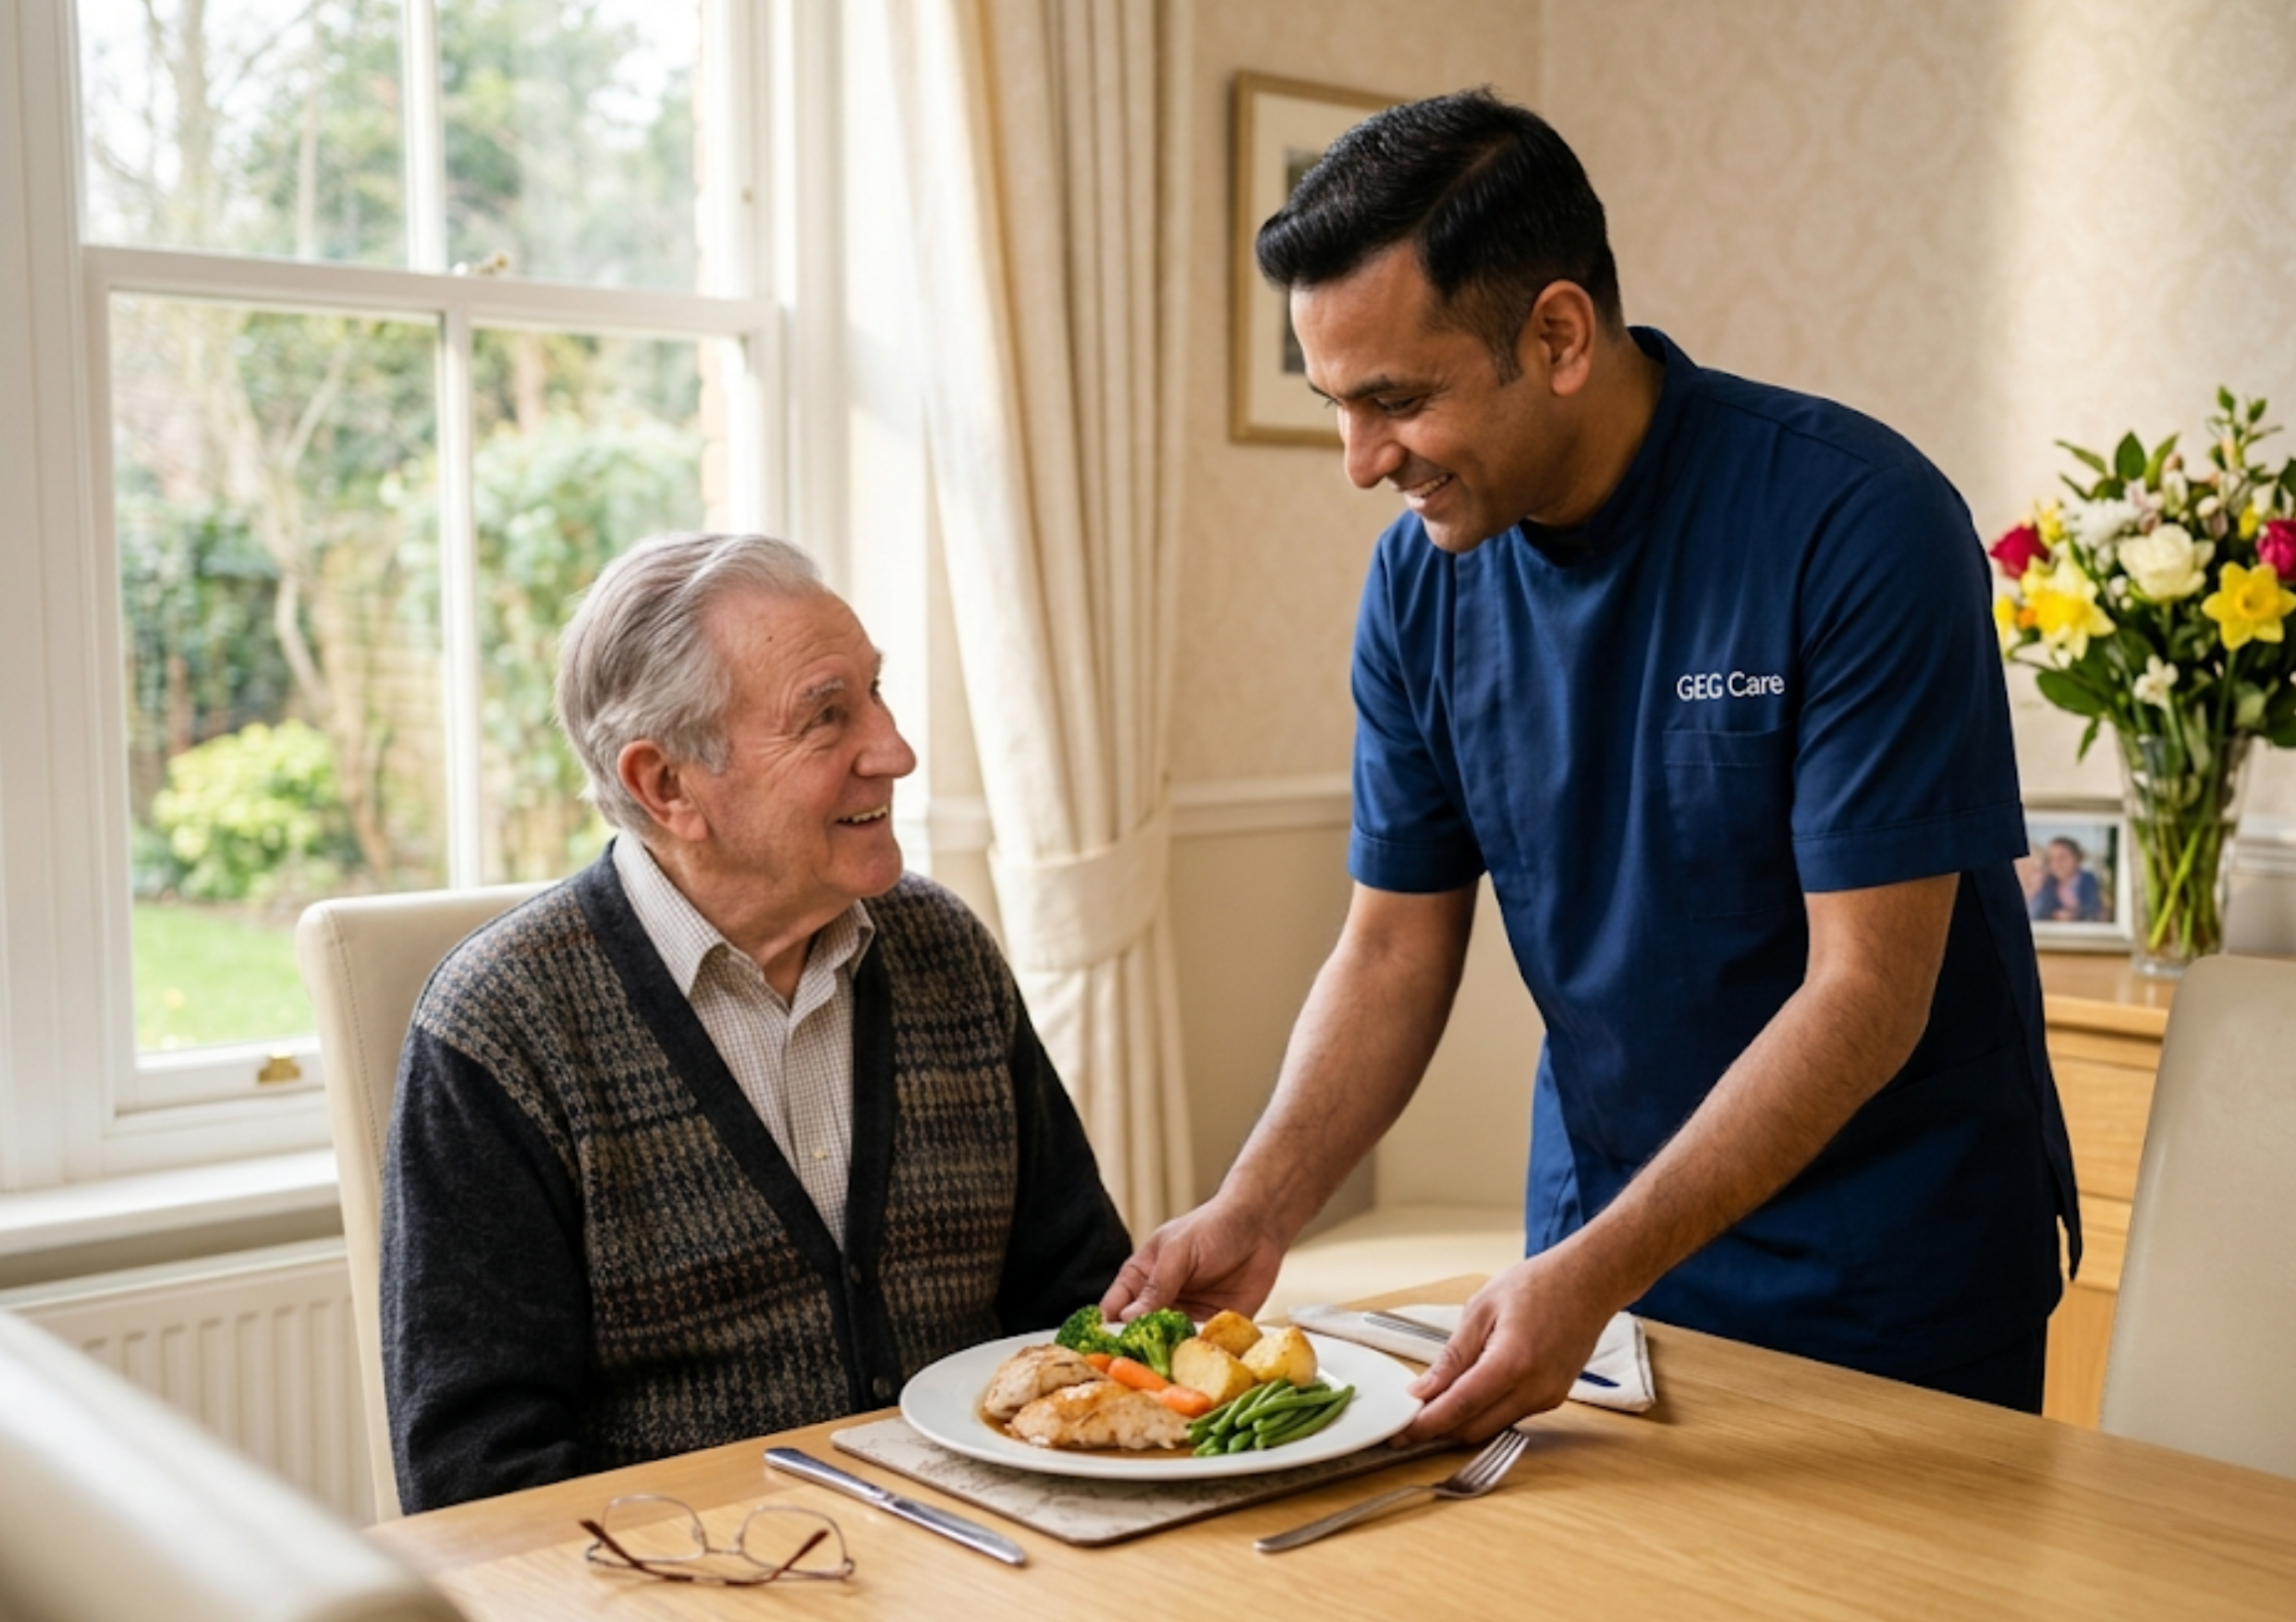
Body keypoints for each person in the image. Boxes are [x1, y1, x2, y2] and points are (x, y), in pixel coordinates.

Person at [1105, 90, 2078, 1439]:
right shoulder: (1419, 587)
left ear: (1557, 334)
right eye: (1336, 403)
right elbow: (1391, 951)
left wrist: (1596, 1268)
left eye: (1395, 400)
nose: (1359, 460)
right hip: (1592, 1268)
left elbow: (1868, 989)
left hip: (1884, 1276)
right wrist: (1257, 1204)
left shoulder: (1862, 527)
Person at [382, 530, 1129, 1511]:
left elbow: (1079, 1306)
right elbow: (481, 1483)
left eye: (874, 692)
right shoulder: (501, 1028)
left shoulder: (943, 948)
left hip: (1003, 1558)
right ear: (667, 786)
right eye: (827, 717)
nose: (894, 750)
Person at [2028, 836, 2104, 921]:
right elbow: (2037, 913)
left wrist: (2075, 914)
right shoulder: (2050, 883)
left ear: (2077, 858)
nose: (2056, 864)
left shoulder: (2088, 879)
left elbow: (2094, 908)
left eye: (2062, 858)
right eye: (2050, 859)